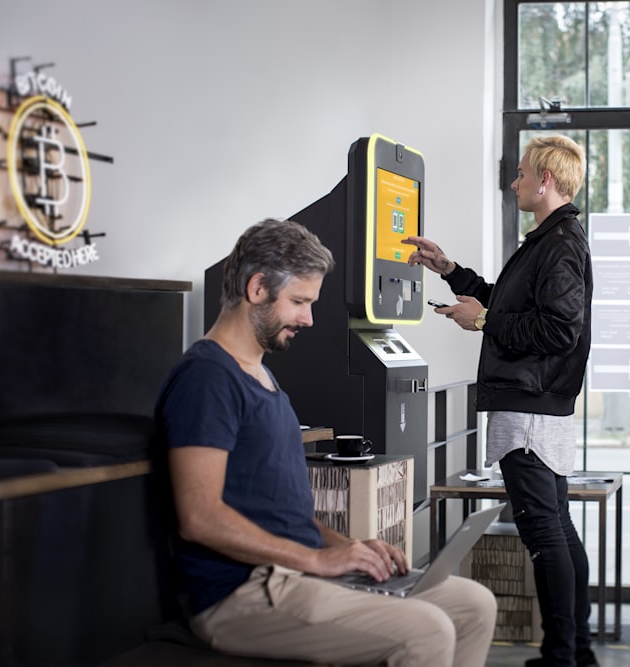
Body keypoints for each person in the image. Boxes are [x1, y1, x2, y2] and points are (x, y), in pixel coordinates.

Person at [155, 218, 496, 667]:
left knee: (473, 604)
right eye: (299, 301)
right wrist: (316, 562)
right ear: (257, 288)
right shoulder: (207, 378)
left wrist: (347, 547)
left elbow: (285, 519)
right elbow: (199, 518)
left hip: (295, 573)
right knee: (426, 631)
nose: (309, 319)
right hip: (243, 594)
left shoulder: (262, 377)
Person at [402, 134, 597, 667]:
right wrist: (449, 270)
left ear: (546, 180)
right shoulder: (549, 240)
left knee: (544, 532)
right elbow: (513, 303)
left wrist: (483, 321)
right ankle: (576, 651)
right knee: (557, 526)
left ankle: (562, 656)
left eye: (521, 174)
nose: (514, 183)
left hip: (529, 409)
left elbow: (558, 330)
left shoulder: (558, 244)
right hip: (535, 406)